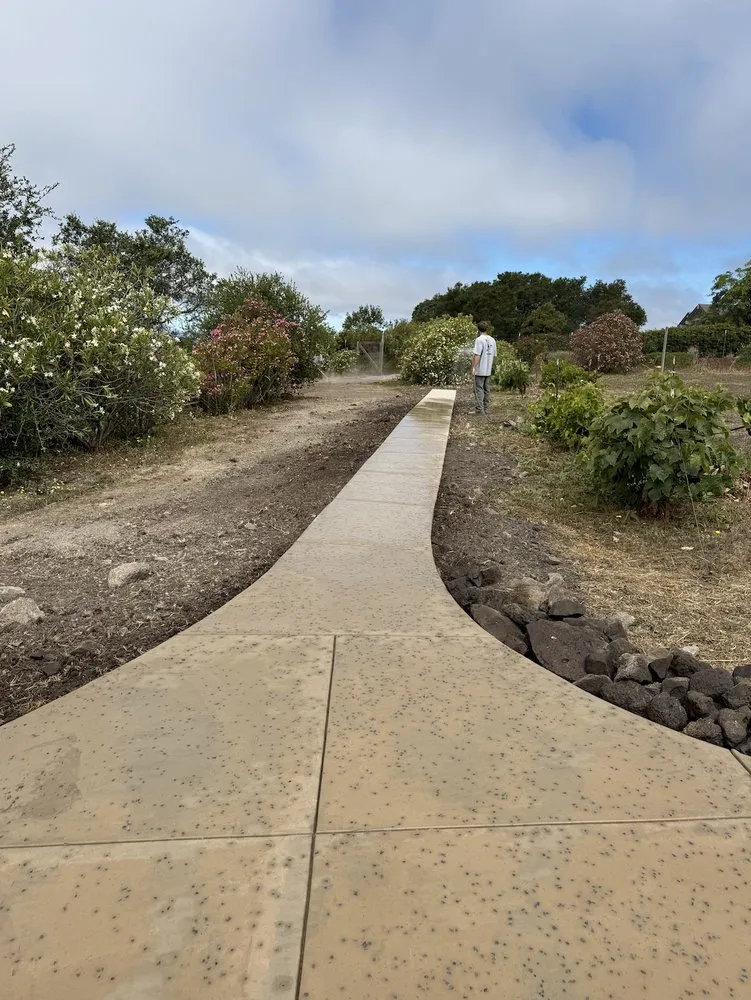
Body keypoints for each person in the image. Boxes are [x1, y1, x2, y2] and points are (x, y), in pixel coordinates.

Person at [472, 320, 497, 415]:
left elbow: (477, 355)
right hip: (488, 370)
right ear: (487, 329)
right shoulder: (492, 340)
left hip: (480, 370)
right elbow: (494, 355)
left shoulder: (479, 340)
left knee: (479, 389)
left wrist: (474, 367)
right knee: (487, 389)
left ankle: (479, 409)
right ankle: (487, 409)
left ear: (478, 329)